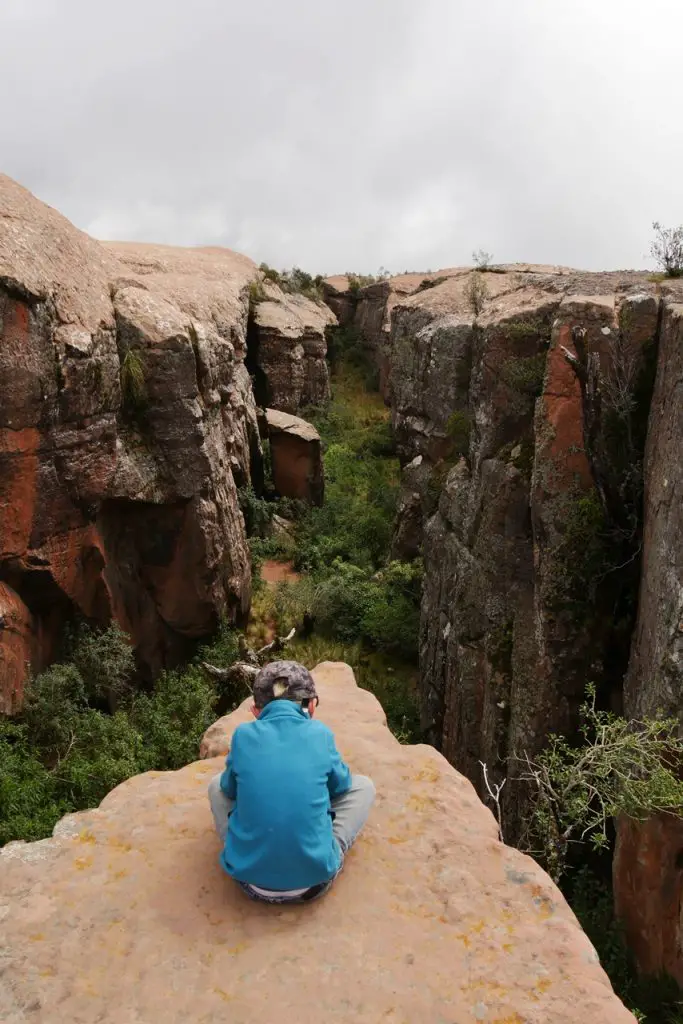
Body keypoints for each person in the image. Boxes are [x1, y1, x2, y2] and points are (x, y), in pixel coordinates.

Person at [208, 660, 376, 904]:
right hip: (313, 883)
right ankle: (327, 850)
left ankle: (242, 850)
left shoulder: (242, 736)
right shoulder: (321, 734)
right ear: (311, 705)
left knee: (215, 785)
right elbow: (341, 787)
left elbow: (227, 789)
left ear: (256, 710)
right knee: (364, 787)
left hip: (249, 881)